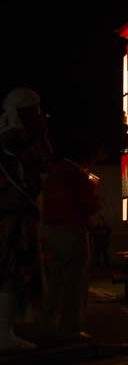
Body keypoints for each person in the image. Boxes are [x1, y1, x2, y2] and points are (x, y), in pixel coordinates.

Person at [0, 88, 53, 351]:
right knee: (12, 269)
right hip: (14, 214)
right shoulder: (19, 138)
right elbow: (43, 159)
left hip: (14, 211)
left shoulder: (8, 135)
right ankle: (4, 333)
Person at [42, 137, 100, 341]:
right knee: (75, 280)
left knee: (57, 279)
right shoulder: (78, 176)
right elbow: (91, 206)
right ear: (87, 157)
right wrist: (93, 187)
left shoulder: (56, 172)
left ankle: (49, 323)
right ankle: (71, 327)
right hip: (73, 229)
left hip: (53, 230)